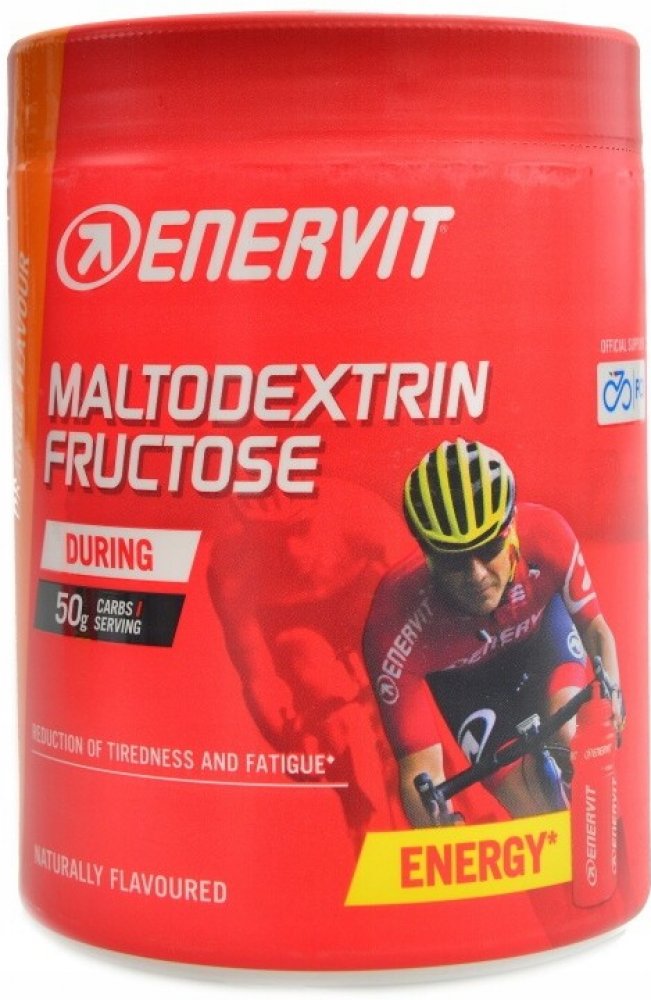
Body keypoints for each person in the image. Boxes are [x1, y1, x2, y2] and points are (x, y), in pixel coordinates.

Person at [363, 438, 624, 827]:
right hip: (469, 685)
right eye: (453, 560)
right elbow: (421, 772)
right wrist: (438, 829)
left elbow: (595, 628)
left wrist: (612, 698)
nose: (477, 576)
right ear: (427, 557)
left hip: (540, 642)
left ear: (511, 530)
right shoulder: (394, 621)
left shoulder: (548, 534)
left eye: (488, 549)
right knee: (532, 810)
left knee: (572, 738)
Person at [206, 478, 411, 848]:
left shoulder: (362, 514)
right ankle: (360, 804)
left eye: (300, 529)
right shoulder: (230, 567)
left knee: (404, 698)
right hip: (295, 626)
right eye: (271, 539)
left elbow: (422, 607)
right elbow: (256, 675)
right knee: (305, 661)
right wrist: (286, 739)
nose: (292, 549)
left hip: (361, 603)